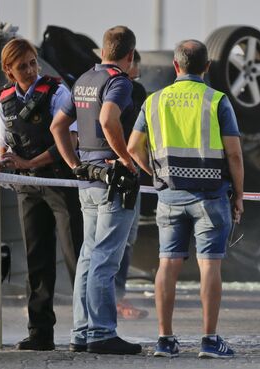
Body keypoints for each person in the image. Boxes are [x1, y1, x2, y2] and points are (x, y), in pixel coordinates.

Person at [127, 39, 244, 359]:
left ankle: (165, 340)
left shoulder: (154, 101)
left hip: (170, 195)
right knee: (210, 266)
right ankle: (209, 340)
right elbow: (233, 153)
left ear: (175, 66)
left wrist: (155, 173)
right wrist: (239, 195)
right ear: (207, 68)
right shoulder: (217, 100)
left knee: (167, 263)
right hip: (210, 196)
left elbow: (132, 146)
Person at [50, 25, 141, 355]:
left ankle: (81, 331)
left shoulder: (83, 80)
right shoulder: (119, 81)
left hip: (87, 179)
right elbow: (108, 119)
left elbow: (57, 126)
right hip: (112, 180)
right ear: (129, 55)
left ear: (102, 51)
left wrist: (74, 163)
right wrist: (125, 159)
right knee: (105, 258)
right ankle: (102, 332)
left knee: (88, 256)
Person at [0, 38, 83, 351]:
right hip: (28, 188)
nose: (31, 69)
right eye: (23, 66)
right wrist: (5, 157)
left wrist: (29, 162)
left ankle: (87, 328)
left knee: (75, 256)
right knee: (37, 261)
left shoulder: (57, 91)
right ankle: (40, 333)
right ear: (9, 70)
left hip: (60, 183)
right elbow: (3, 140)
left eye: (33, 62)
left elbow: (70, 138)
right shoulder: (4, 99)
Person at [114, 50, 148, 320]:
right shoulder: (134, 90)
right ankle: (116, 298)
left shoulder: (95, 82)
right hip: (125, 171)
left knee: (123, 237)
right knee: (122, 237)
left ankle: (115, 296)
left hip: (107, 171)